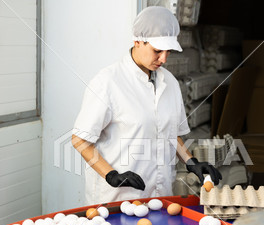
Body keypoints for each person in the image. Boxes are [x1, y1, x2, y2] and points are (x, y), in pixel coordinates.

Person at [72, 6, 222, 205]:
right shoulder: (108, 82)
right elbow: (80, 140)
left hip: (159, 194)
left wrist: (191, 162)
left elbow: (170, 133)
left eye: (168, 51)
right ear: (137, 41)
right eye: (157, 51)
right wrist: (111, 175)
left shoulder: (170, 83)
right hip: (118, 198)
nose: (164, 59)